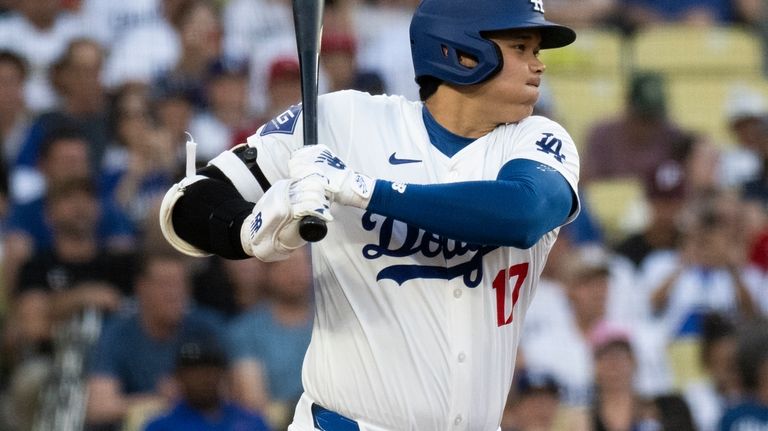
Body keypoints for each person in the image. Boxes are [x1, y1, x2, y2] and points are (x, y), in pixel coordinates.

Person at [159, 0, 580, 429]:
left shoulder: (538, 139)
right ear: (462, 51)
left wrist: (361, 189)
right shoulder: (347, 121)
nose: (538, 66)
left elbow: (523, 214)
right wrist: (251, 228)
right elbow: (187, 202)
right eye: (521, 47)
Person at [227, 246, 314, 429]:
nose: (294, 272)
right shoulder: (246, 330)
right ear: (267, 272)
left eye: (301, 263)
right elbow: (253, 402)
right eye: (285, 265)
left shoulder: (333, 322)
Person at [142, 334, 271, 431]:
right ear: (179, 377)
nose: (203, 378)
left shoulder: (251, 422)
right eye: (194, 372)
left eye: (210, 370)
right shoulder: (161, 426)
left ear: (222, 373)